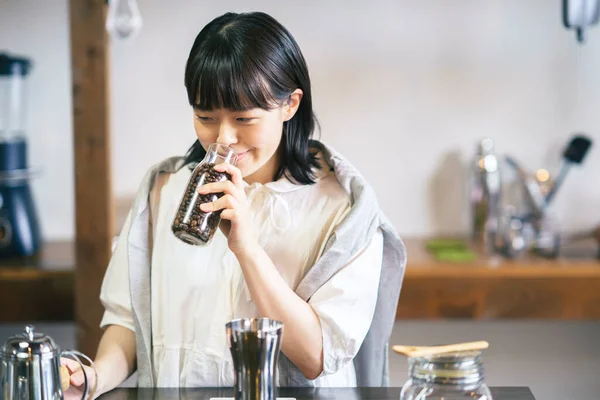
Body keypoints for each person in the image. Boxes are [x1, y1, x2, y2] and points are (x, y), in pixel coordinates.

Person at [61, 11, 406, 399]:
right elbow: (129, 320)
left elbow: (317, 355)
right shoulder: (164, 191)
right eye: (205, 117)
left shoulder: (344, 211)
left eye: (244, 118)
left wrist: (247, 248)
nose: (223, 137)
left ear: (290, 105)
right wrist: (93, 378)